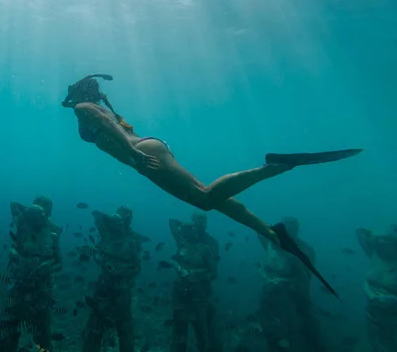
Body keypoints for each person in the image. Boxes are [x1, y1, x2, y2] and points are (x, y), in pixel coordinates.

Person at [62, 73, 361, 294]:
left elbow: (109, 127)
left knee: (204, 199)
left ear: (79, 91)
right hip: (150, 148)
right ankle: (270, 233)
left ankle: (274, 167)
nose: (68, 94)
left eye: (71, 89)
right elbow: (115, 124)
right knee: (214, 198)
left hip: (143, 155)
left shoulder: (83, 108)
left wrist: (133, 156)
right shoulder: (100, 106)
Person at [0, 196, 62, 352]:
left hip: (42, 288)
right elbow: (13, 248)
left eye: (47, 208)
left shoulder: (52, 235)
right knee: (7, 326)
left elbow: (59, 263)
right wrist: (17, 257)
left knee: (42, 331)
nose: (45, 211)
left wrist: (48, 268)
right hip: (19, 284)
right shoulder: (23, 229)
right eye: (42, 208)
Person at [257, 217, 326, 352]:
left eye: (293, 226)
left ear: (298, 229)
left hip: (295, 292)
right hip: (269, 292)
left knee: (307, 321)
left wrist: (294, 284)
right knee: (268, 323)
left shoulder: (306, 248)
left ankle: (314, 345)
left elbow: (308, 275)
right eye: (286, 226)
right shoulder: (269, 242)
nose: (290, 229)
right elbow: (258, 228)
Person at [83, 206, 143, 352]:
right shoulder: (106, 236)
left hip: (122, 290)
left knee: (125, 327)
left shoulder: (133, 239)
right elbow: (97, 254)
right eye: (123, 217)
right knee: (95, 326)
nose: (126, 220)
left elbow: (136, 267)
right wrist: (102, 261)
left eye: (128, 217)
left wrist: (120, 271)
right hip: (104, 288)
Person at [169, 213, 221, 352]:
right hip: (181, 294)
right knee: (179, 332)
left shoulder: (209, 244)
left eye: (203, 220)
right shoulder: (182, 242)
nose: (200, 223)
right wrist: (186, 225)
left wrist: (195, 277)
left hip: (201, 294)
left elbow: (213, 272)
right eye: (197, 220)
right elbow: (172, 222)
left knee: (205, 332)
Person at [356, 224, 397, 352]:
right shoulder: (374, 252)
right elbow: (359, 231)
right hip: (372, 313)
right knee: (376, 345)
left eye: (387, 240)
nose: (382, 242)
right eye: (380, 239)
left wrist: (392, 300)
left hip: (393, 316)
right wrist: (377, 233)